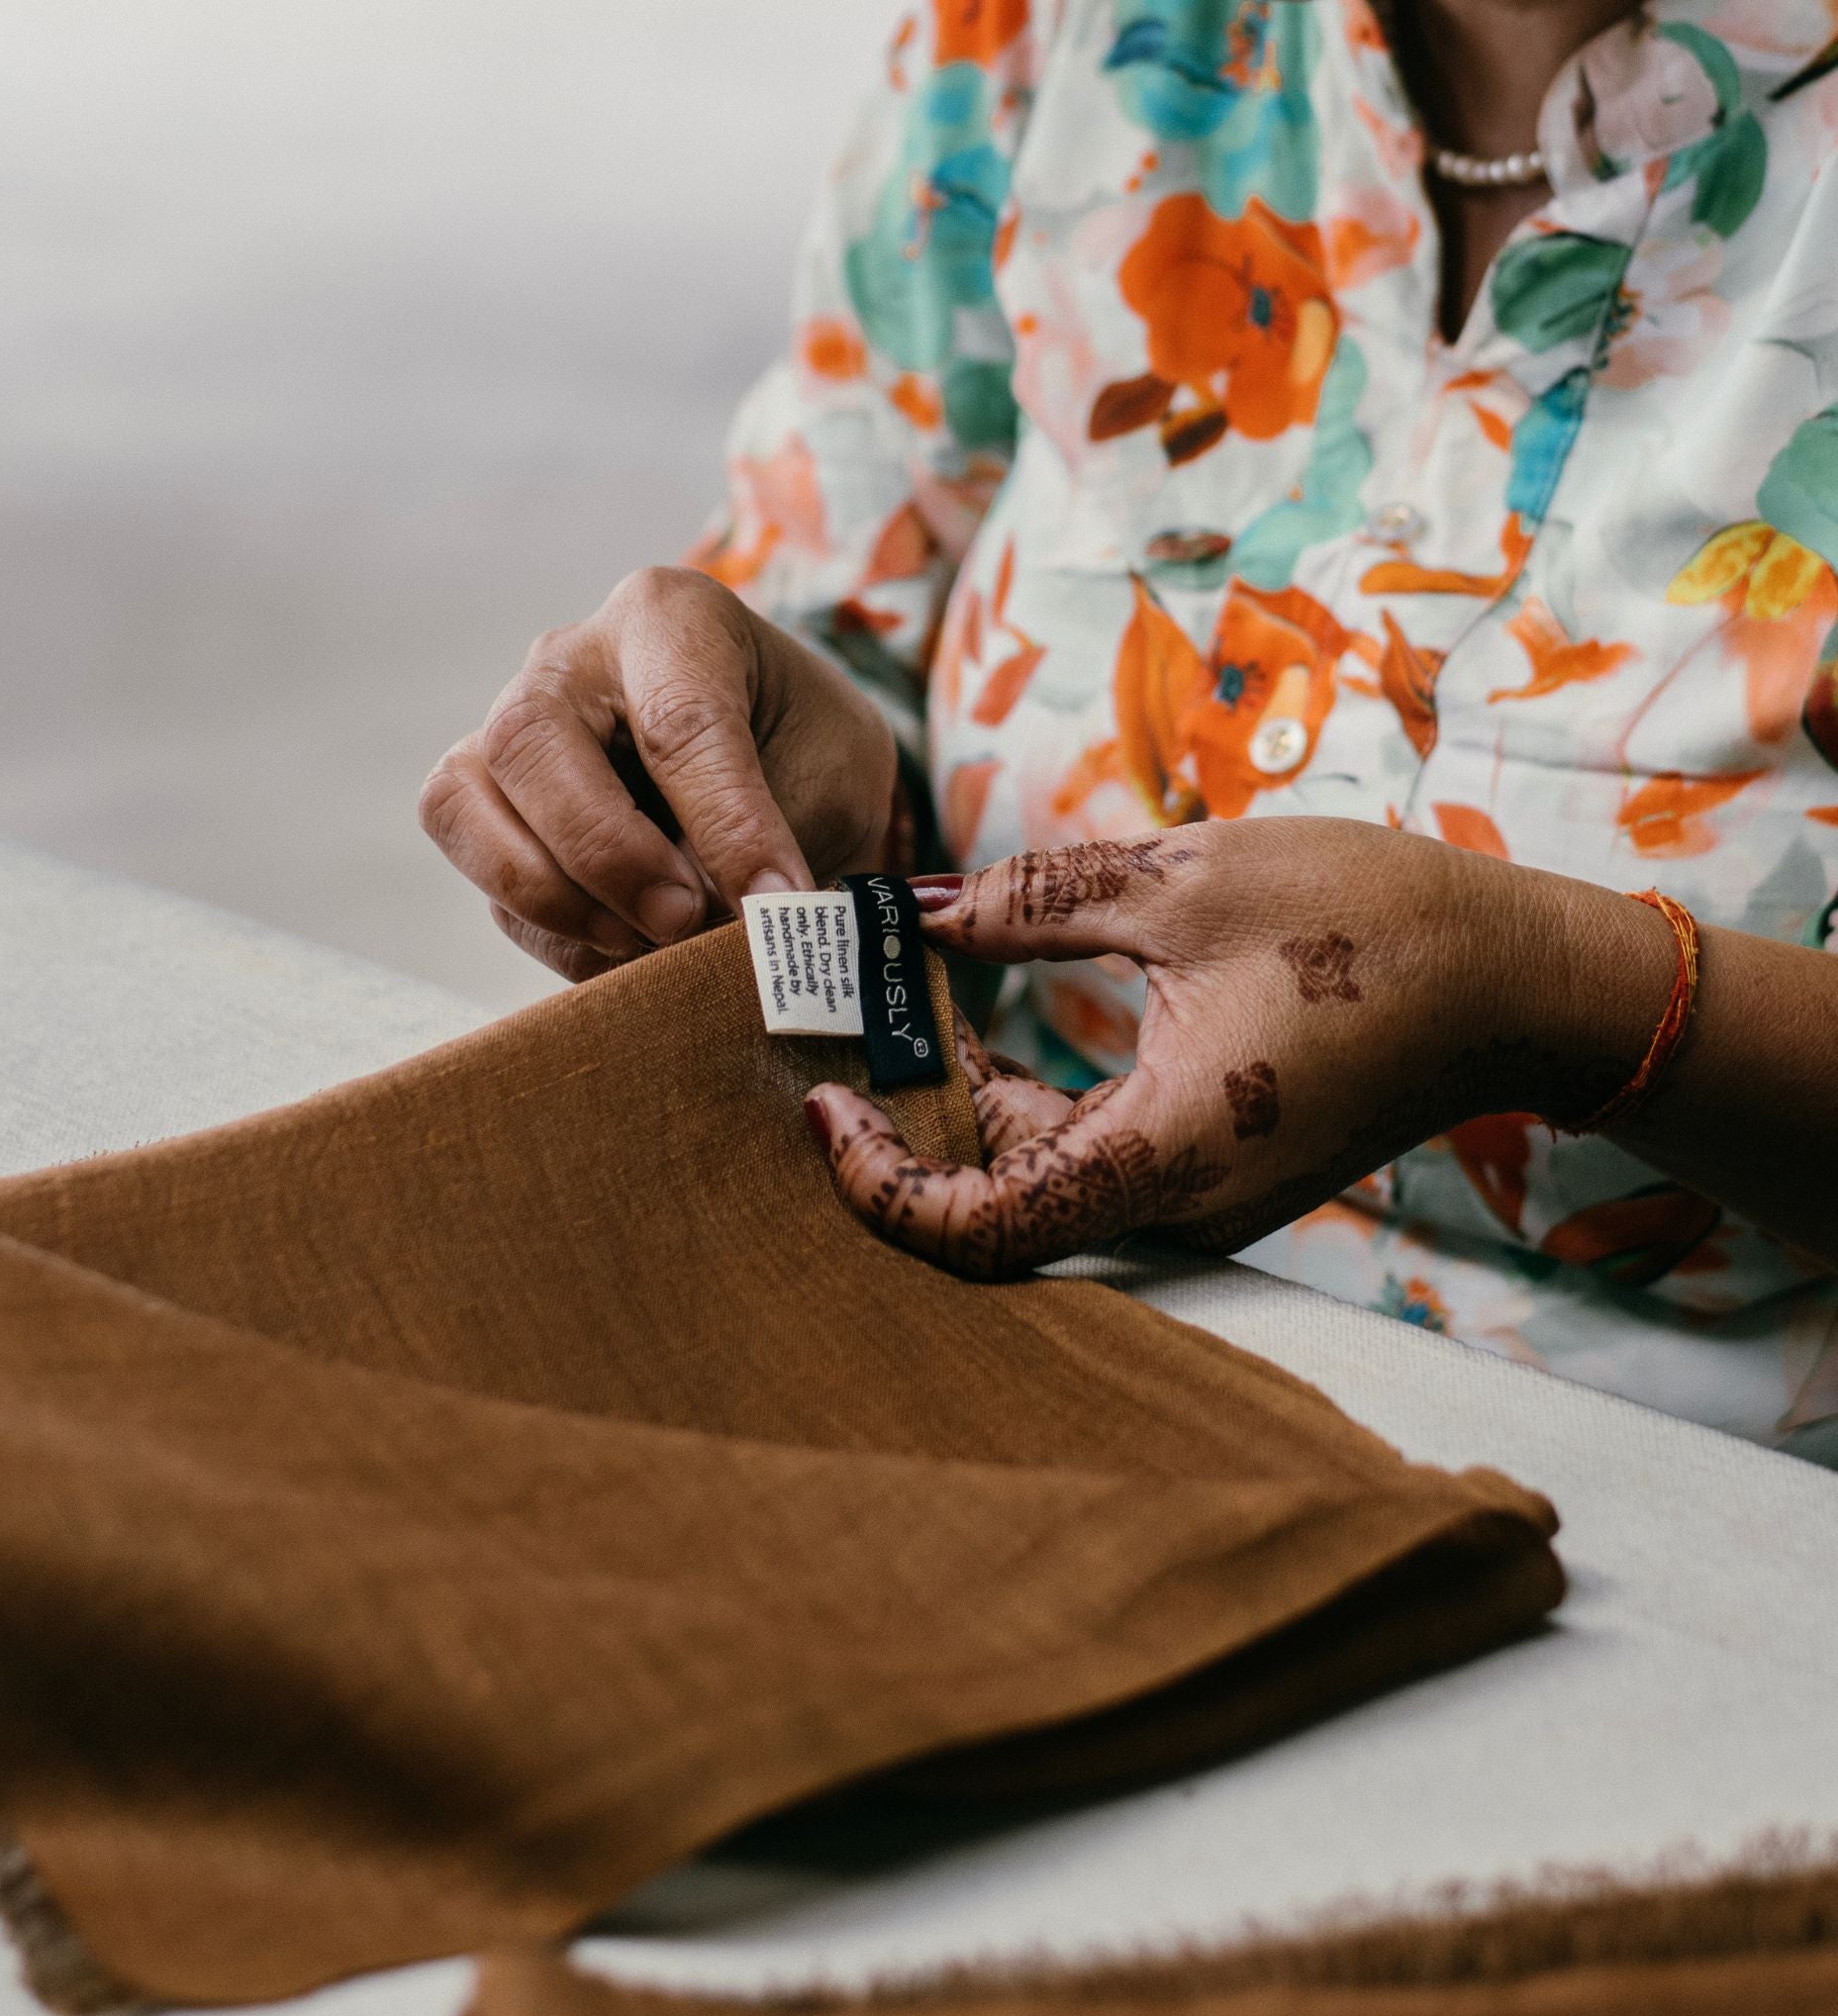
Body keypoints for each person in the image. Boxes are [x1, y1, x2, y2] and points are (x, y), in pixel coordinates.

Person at [420, 0, 1838, 1458]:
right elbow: (860, 592)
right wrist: (786, 764)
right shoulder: (1046, 38)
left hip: (1715, 1533)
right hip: (976, 1360)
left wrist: (1550, 995)